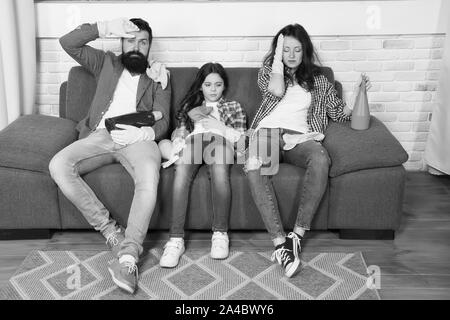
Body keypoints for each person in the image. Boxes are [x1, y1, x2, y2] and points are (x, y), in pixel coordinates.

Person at [48, 18, 171, 293]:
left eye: (143, 42)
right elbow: (67, 42)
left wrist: (142, 134)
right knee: (58, 165)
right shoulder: (105, 63)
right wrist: (102, 28)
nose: (137, 47)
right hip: (101, 136)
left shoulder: (159, 76)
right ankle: (111, 233)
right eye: (131, 40)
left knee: (149, 178)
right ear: (121, 41)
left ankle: (128, 257)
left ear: (150, 46)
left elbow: (163, 123)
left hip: (138, 140)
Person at [245, 24, 371, 278]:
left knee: (321, 158)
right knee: (255, 165)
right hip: (267, 132)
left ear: (305, 51)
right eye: (286, 49)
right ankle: (280, 244)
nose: (291, 55)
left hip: (300, 137)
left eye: (297, 50)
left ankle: (296, 237)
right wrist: (277, 54)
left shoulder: (320, 81)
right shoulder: (269, 73)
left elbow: (339, 114)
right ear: (280, 51)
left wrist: (359, 94)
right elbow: (277, 89)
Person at [158, 62, 246, 268]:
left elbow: (241, 140)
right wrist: (178, 138)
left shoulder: (234, 107)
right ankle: (175, 240)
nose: (213, 89)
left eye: (218, 84)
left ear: (224, 86)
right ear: (200, 86)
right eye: (208, 85)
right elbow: (180, 133)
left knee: (219, 172)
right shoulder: (190, 108)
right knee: (181, 175)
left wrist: (220, 127)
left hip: (220, 141)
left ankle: (220, 234)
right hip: (193, 142)